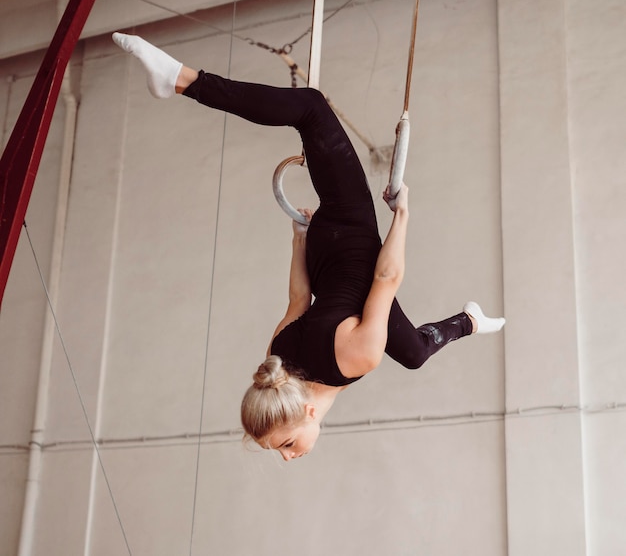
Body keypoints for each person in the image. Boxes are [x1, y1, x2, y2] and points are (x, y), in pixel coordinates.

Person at [112, 32, 505, 462]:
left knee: (312, 109)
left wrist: (402, 215)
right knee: (411, 353)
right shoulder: (275, 364)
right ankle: (470, 321)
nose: (287, 457)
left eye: (284, 445)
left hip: (350, 229)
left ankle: (181, 80)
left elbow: (387, 277)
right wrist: (300, 239)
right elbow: (300, 297)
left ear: (307, 410)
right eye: (282, 448)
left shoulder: (356, 357)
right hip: (322, 256)